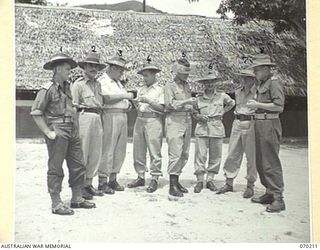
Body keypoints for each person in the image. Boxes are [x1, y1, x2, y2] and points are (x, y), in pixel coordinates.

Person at [30, 52, 95, 215]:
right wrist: (48, 132)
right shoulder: (47, 89)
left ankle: (77, 198)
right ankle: (56, 203)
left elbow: (71, 107)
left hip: (72, 129)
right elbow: (36, 112)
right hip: (58, 129)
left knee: (78, 165)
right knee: (56, 167)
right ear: (58, 69)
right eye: (67, 68)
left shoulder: (68, 87)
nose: (69, 72)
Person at [246, 54, 286, 213]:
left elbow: (279, 107)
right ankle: (269, 192)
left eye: (257, 69)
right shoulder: (261, 84)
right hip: (259, 123)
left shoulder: (274, 83)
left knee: (270, 161)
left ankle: (278, 197)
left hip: (269, 123)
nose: (254, 72)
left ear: (266, 69)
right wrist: (255, 107)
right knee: (260, 161)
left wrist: (257, 104)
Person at [216, 69, 257, 198]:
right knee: (232, 153)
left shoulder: (258, 92)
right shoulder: (238, 91)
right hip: (237, 122)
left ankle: (250, 185)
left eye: (248, 77)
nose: (245, 80)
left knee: (251, 156)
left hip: (251, 123)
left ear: (254, 79)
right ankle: (229, 183)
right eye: (243, 77)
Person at [71, 50, 106, 200]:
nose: (93, 69)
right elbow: (73, 106)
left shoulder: (98, 85)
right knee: (83, 152)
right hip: (83, 116)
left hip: (97, 117)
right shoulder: (78, 85)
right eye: (90, 66)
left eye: (96, 66)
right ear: (84, 67)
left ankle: (88, 184)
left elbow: (101, 103)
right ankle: (79, 187)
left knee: (95, 152)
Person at [98, 51, 134, 193]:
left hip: (122, 116)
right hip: (110, 116)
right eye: (120, 70)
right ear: (112, 68)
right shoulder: (103, 81)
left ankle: (113, 178)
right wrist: (125, 96)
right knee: (108, 148)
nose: (121, 73)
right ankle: (102, 181)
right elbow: (106, 98)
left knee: (120, 149)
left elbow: (120, 98)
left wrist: (127, 103)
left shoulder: (118, 83)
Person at [193, 72, 235, 193]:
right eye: (207, 82)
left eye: (212, 82)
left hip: (217, 127)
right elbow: (194, 111)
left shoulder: (222, 96)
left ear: (215, 83)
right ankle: (200, 180)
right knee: (200, 155)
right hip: (202, 127)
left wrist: (223, 112)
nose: (210, 84)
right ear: (204, 84)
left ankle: (210, 179)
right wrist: (199, 116)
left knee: (215, 155)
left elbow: (232, 103)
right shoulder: (199, 98)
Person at [127, 57, 165, 193]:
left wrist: (148, 100)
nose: (144, 78)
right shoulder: (141, 89)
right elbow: (138, 105)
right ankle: (140, 176)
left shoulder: (161, 89)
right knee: (138, 149)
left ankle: (154, 178)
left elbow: (162, 109)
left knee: (154, 149)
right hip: (140, 119)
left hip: (153, 120)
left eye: (147, 75)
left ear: (154, 74)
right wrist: (136, 103)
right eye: (143, 75)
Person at [164, 57, 198, 197]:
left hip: (187, 119)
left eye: (187, 73)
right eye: (184, 72)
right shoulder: (169, 85)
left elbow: (187, 103)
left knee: (184, 153)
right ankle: (172, 185)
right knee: (175, 153)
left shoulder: (186, 86)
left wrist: (193, 105)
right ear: (177, 72)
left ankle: (177, 180)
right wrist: (186, 101)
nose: (186, 75)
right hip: (175, 120)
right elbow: (169, 104)